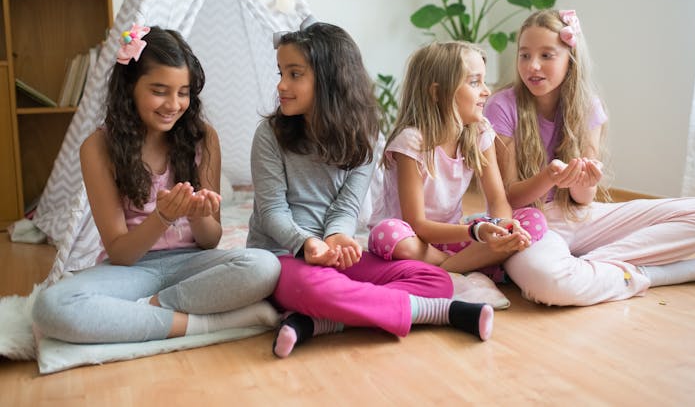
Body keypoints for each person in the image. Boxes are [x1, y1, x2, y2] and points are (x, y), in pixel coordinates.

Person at [247, 19, 494, 359]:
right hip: (284, 254)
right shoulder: (269, 135)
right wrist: (307, 245)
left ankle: (321, 322)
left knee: (432, 278)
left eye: (294, 74)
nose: (282, 86)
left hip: (335, 254)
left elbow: (347, 207)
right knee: (313, 285)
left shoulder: (363, 135)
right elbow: (272, 211)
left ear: (331, 79)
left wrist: (336, 237)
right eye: (281, 74)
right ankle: (438, 312)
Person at [33, 25, 281, 343]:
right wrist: (162, 218)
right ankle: (209, 325)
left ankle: (148, 311)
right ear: (130, 88)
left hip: (193, 265)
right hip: (131, 270)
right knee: (52, 306)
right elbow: (121, 254)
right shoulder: (97, 147)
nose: (173, 104)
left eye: (183, 92)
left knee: (265, 266)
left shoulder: (203, 138)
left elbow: (210, 241)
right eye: (159, 91)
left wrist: (196, 213)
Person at [483, 9, 695, 306]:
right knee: (551, 286)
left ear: (570, 59)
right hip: (527, 222)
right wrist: (548, 176)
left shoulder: (587, 106)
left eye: (547, 55)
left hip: (579, 217)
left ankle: (584, 267)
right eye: (524, 55)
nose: (532, 66)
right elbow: (508, 199)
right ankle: (656, 274)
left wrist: (584, 181)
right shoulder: (502, 106)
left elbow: (583, 200)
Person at [368, 41, 547, 281]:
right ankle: (463, 267)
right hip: (412, 239)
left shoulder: (479, 131)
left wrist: (504, 231)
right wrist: (477, 232)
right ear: (437, 93)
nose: (486, 91)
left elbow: (497, 200)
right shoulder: (411, 143)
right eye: (475, 82)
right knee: (387, 233)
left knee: (531, 219)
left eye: (483, 81)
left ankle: (450, 267)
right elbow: (417, 224)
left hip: (451, 238)